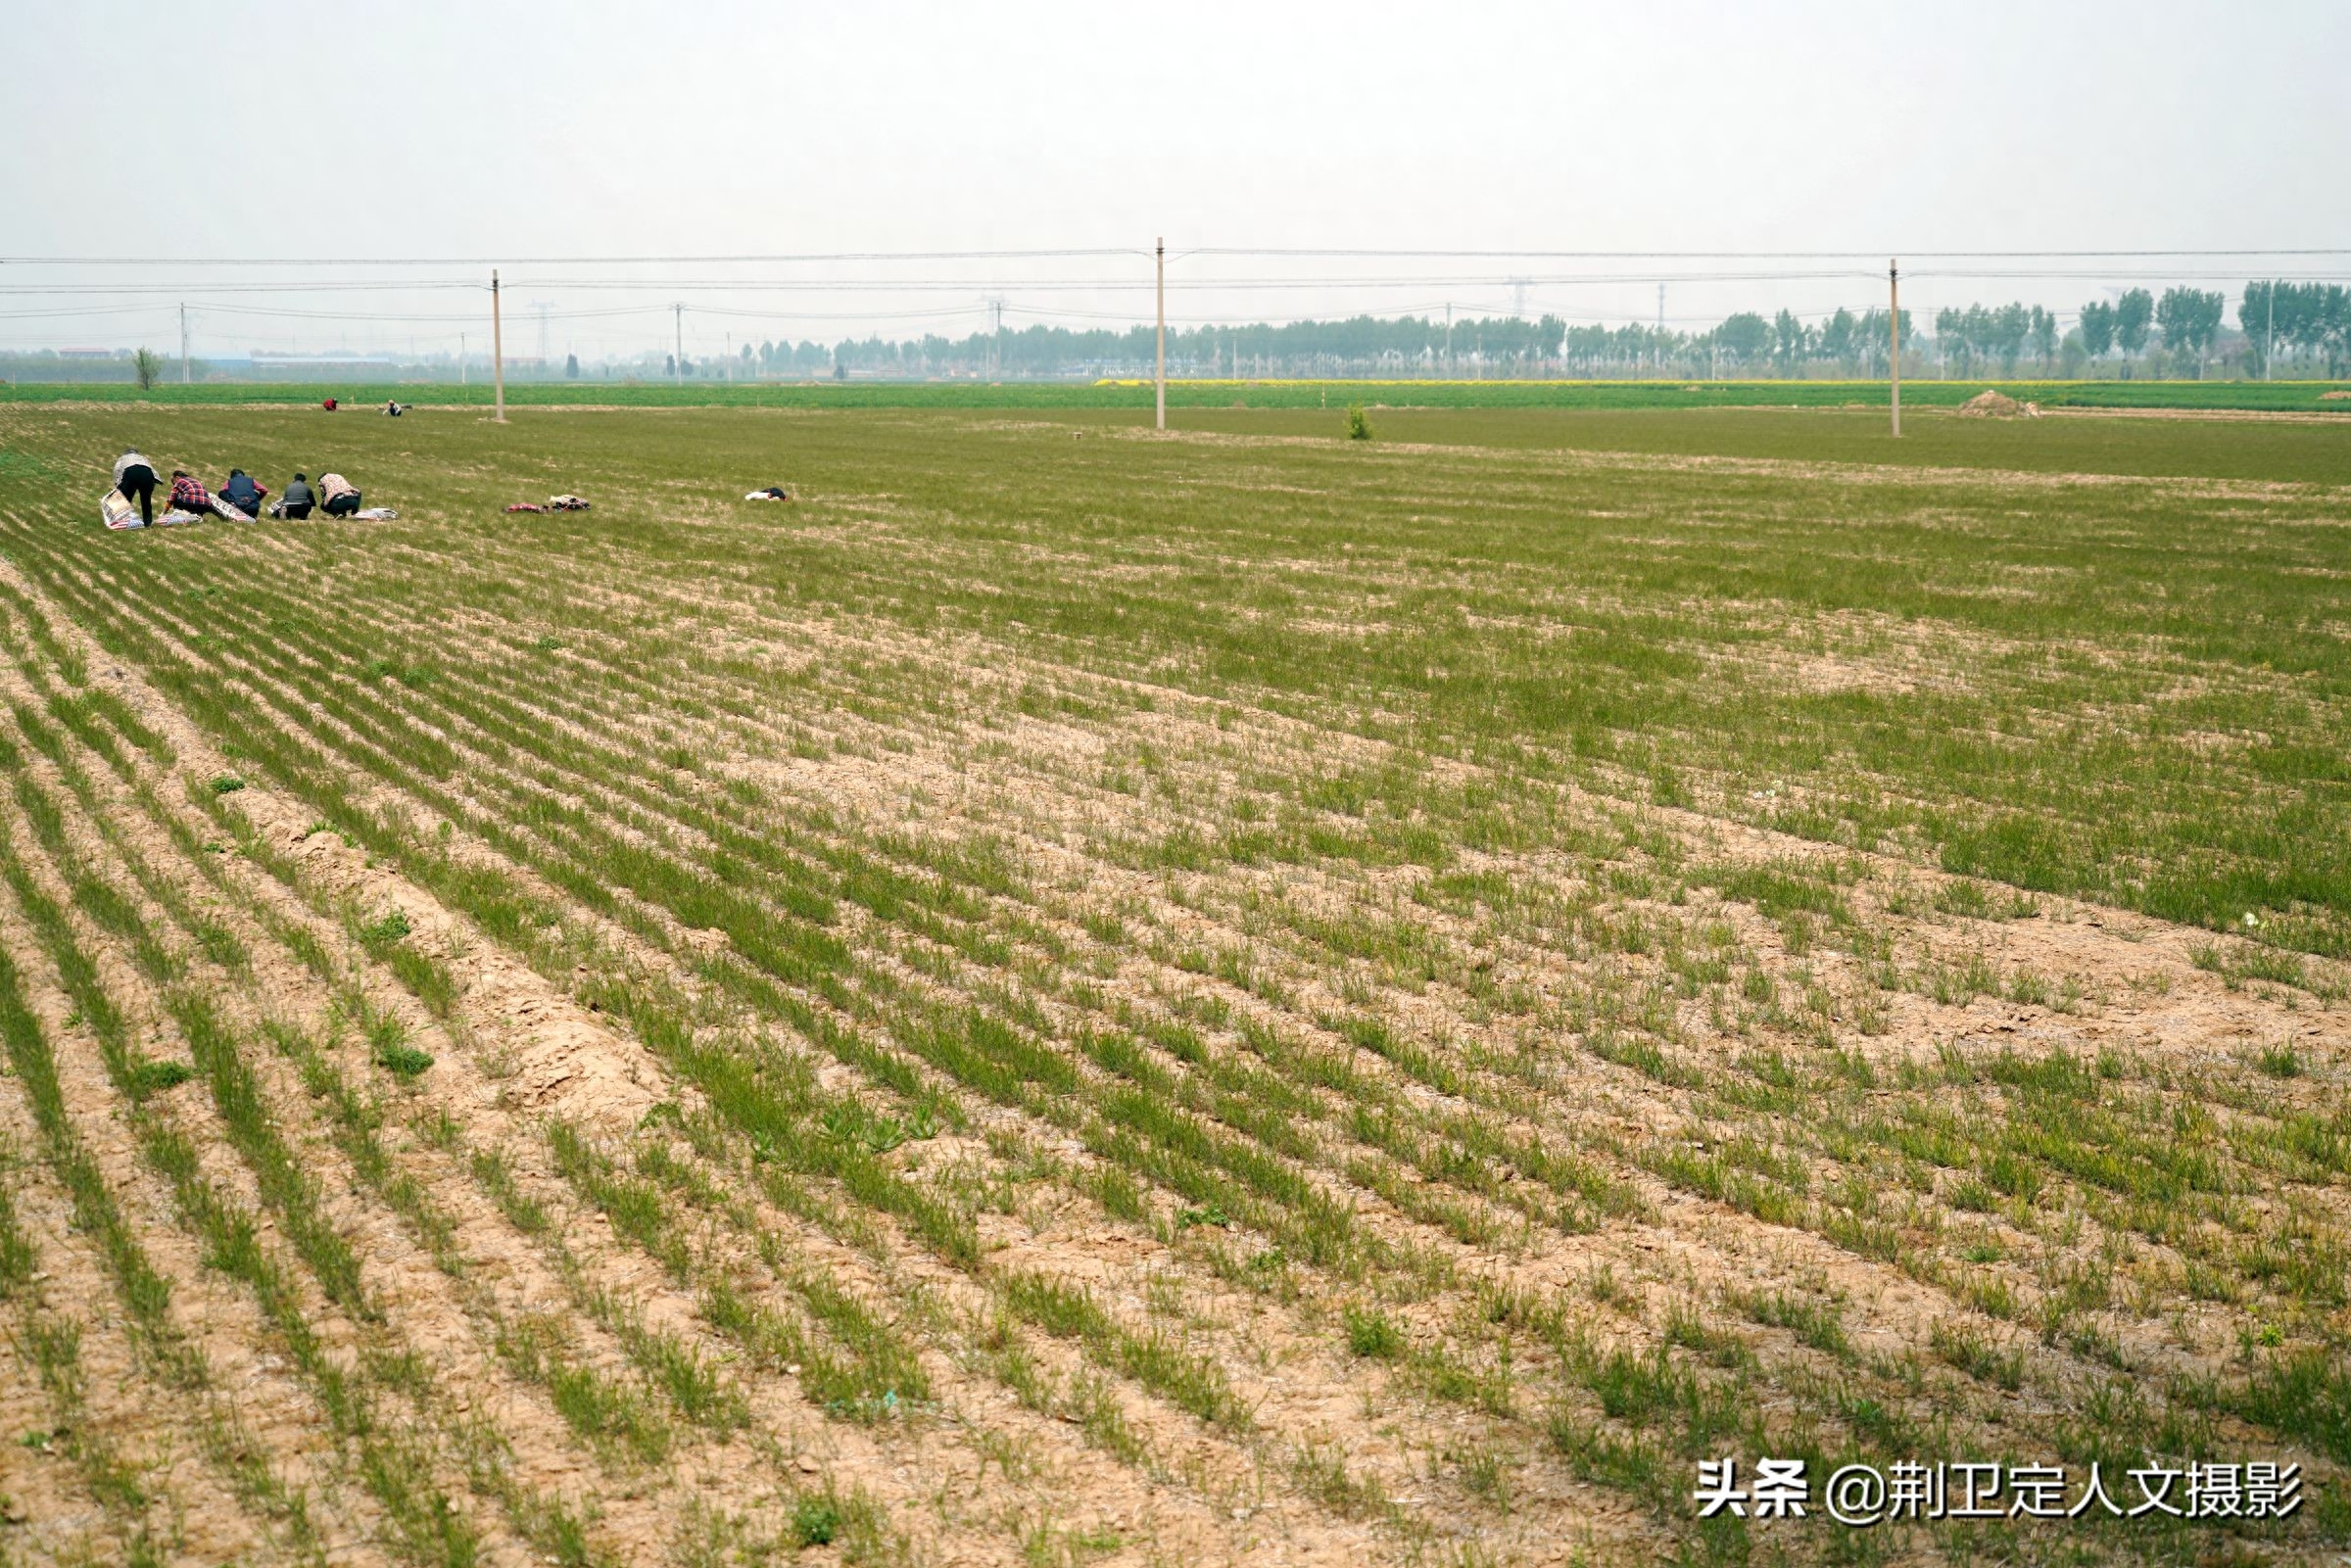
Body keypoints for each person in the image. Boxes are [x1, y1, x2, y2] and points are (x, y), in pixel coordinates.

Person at [113, 447, 158, 526]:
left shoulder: (123, 458)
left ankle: (122, 520)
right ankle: (148, 523)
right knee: (146, 500)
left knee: (125, 497)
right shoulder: (143, 458)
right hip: (147, 474)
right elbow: (153, 471)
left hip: (131, 472)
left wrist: (117, 485)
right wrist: (151, 486)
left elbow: (117, 470)